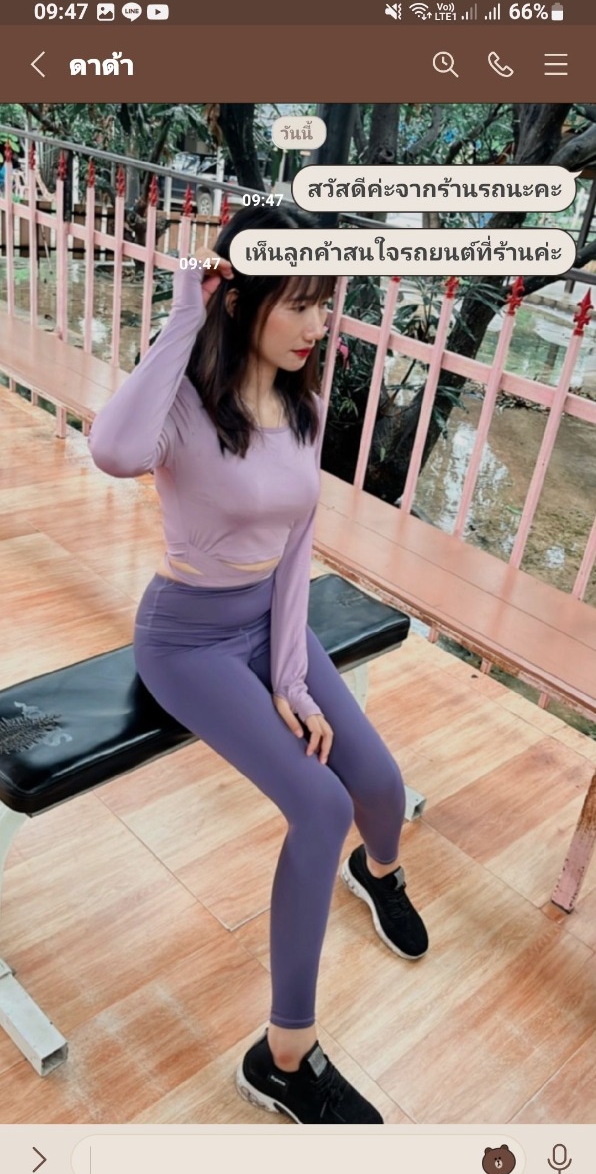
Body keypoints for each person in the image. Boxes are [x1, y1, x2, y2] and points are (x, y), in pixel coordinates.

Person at [88, 206, 429, 1125]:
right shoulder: (181, 408)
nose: (320, 324)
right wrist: (183, 314)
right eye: (301, 303)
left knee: (380, 786)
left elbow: (295, 548)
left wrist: (289, 680)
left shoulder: (304, 404)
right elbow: (111, 450)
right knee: (319, 804)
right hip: (187, 640)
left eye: (326, 303)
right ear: (243, 301)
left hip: (271, 623)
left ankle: (379, 874)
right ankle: (284, 1056)